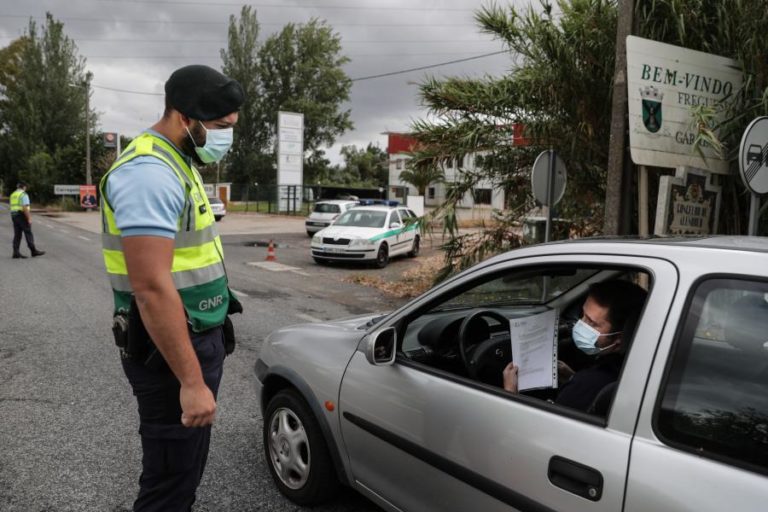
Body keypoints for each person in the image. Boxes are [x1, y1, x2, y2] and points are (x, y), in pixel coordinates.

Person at [99, 64, 244, 511]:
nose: (226, 137)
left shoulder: (178, 162)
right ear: (185, 118)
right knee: (168, 486)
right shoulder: (150, 172)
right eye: (220, 128)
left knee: (185, 472)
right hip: (167, 354)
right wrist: (191, 382)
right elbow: (151, 286)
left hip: (193, 338)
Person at [503, 279, 648, 413]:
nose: (580, 324)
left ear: (618, 339)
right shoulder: (636, 366)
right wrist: (572, 377)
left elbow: (541, 432)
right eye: (583, 314)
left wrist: (510, 394)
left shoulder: (586, 384)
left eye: (592, 323)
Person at [9, 182, 45, 259]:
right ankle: (33, 251)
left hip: (14, 216)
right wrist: (29, 218)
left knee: (17, 234)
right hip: (22, 215)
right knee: (28, 232)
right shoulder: (23, 194)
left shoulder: (13, 194)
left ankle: (16, 252)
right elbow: (25, 207)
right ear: (24, 187)